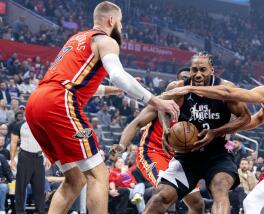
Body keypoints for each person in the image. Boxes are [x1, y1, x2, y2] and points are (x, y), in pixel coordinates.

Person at [25, 1, 179, 214]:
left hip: (37, 104)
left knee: (75, 180)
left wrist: (113, 90)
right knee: (98, 175)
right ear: (111, 20)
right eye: (121, 23)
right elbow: (117, 75)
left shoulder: (76, 38)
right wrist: (156, 100)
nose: (122, 28)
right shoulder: (106, 40)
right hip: (58, 103)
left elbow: (73, 83)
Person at [164, 55, 264, 214]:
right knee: (260, 208)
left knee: (251, 202)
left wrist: (190, 88)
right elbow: (252, 121)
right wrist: (220, 131)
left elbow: (228, 92)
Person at [144, 52, 251, 214]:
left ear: (212, 71)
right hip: (186, 156)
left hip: (217, 155)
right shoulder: (178, 87)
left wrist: (215, 132)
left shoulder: (226, 88)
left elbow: (245, 118)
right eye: (194, 70)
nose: (198, 74)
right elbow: (163, 108)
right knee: (162, 197)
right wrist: (166, 129)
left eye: (203, 70)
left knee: (220, 189)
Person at [110, 67, 205, 214]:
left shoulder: (200, 108)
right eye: (182, 79)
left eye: (189, 79)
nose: (185, 82)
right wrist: (121, 145)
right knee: (165, 192)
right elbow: (136, 124)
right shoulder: (160, 101)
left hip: (181, 158)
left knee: (197, 203)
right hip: (154, 151)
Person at [10, 121, 47, 214]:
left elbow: (48, 141)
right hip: (24, 156)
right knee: (21, 186)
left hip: (39, 157)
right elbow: (14, 142)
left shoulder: (43, 123)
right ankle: (19, 212)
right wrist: (12, 159)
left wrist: (49, 157)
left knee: (40, 188)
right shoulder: (19, 124)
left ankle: (41, 212)